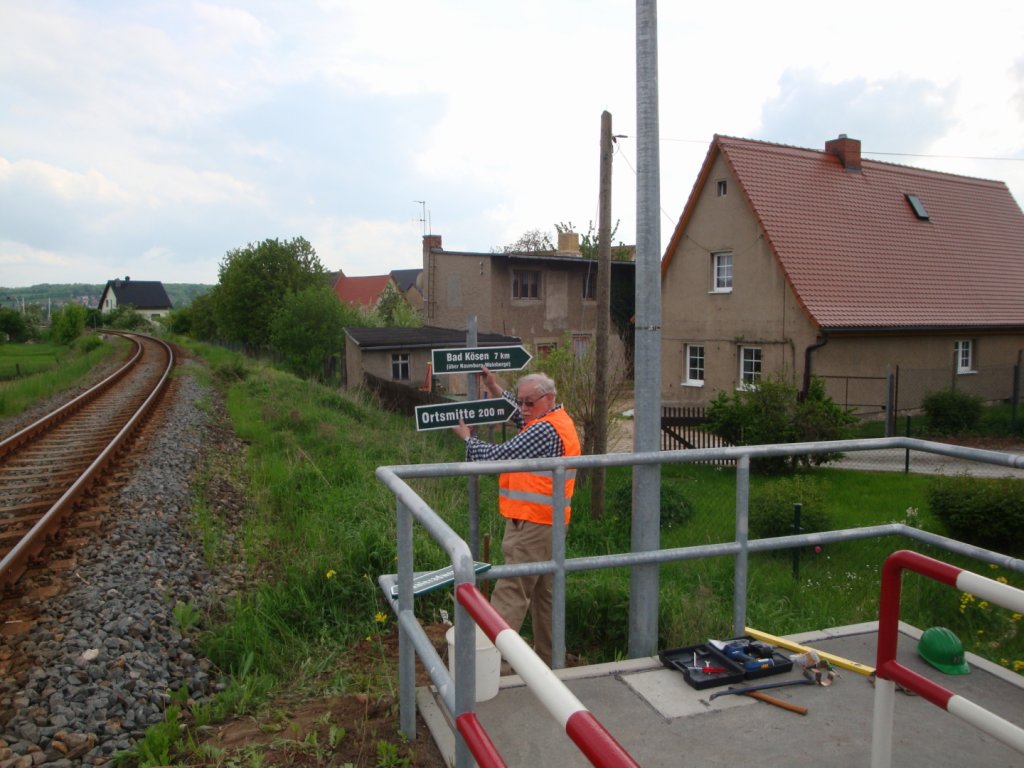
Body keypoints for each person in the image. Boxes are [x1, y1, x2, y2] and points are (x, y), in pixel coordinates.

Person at [452, 366, 581, 666]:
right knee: (544, 596)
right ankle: (551, 663)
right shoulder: (557, 420)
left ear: (547, 399)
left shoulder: (542, 429)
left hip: (531, 526)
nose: (522, 408)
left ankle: (481, 664)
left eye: (528, 402)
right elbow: (519, 415)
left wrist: (468, 440)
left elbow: (500, 456)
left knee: (511, 592)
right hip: (551, 525)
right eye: (520, 401)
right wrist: (495, 388)